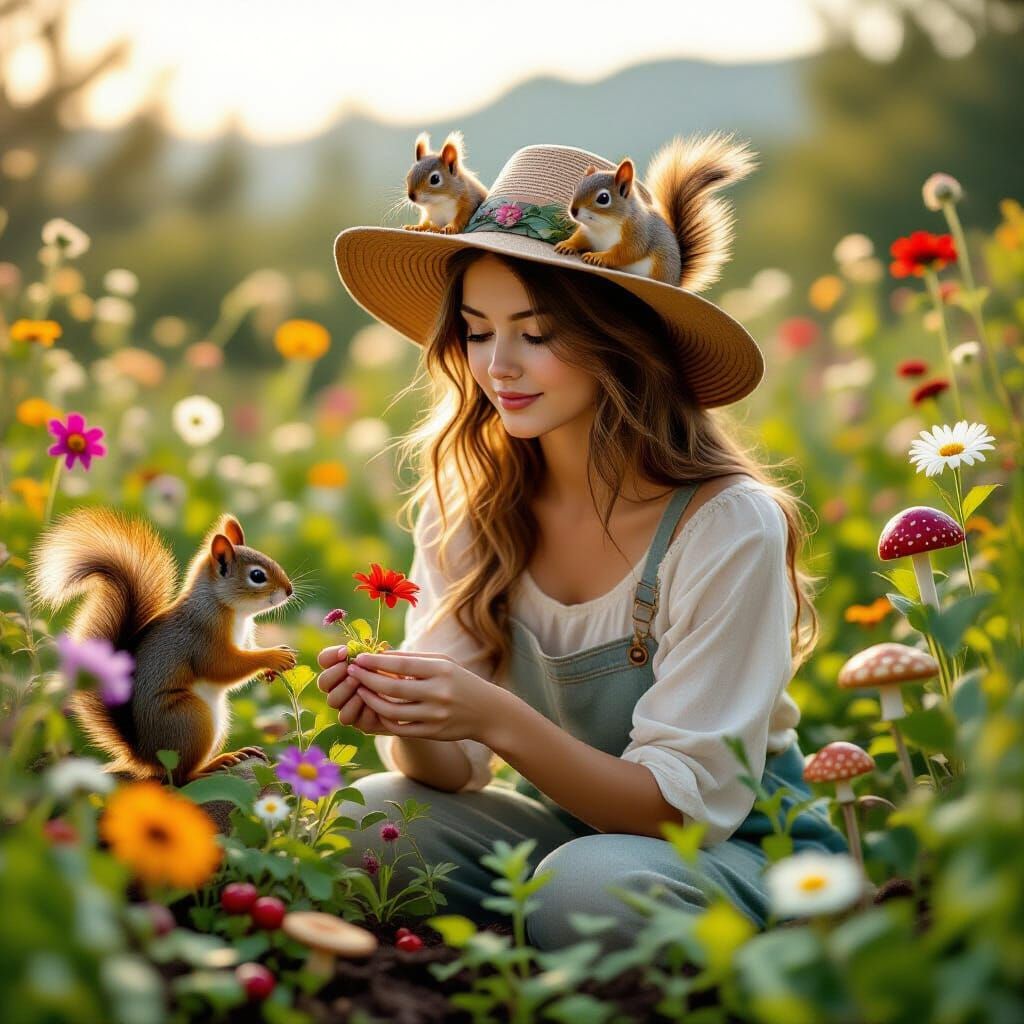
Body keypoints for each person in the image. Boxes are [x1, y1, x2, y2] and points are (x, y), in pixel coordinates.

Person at [319, 136, 849, 953]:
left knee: (592, 884)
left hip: (729, 852)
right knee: (362, 819)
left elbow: (680, 814)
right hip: (565, 837)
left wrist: (496, 717)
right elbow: (450, 773)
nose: (499, 366)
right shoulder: (472, 507)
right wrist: (411, 713)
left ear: (619, 340)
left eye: (536, 334)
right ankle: (542, 935)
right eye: (475, 330)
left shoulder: (725, 524)